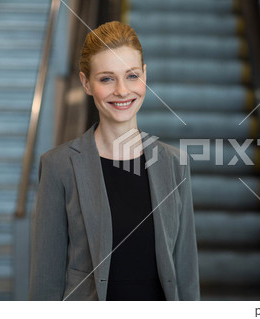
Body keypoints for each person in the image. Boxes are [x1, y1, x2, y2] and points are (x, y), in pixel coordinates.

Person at [29, 21, 200, 301]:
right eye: (107, 79)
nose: (122, 90)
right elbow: (45, 283)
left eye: (132, 76)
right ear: (86, 83)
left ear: (145, 75)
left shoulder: (175, 163)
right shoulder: (59, 166)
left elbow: (186, 275)